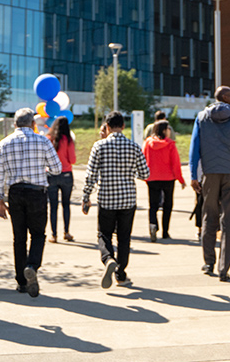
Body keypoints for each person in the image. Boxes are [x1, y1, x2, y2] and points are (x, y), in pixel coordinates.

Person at [0, 108, 62, 298]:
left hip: (15, 194)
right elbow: (57, 168)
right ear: (33, 124)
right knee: (38, 234)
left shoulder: (4, 143)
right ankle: (32, 266)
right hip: (36, 192)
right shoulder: (42, 141)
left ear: (15, 124)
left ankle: (21, 282)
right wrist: (42, 168)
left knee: (19, 238)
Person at [189, 86, 230, 282]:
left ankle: (209, 263)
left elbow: (194, 148)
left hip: (209, 172)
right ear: (225, 97)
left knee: (209, 215)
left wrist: (193, 175)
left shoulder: (201, 117)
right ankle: (224, 269)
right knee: (228, 218)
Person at [82, 111, 150, 288]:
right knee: (124, 237)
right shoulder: (134, 146)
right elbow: (145, 173)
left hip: (107, 199)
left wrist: (86, 196)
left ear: (106, 126)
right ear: (124, 126)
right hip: (128, 199)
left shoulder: (99, 146)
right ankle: (121, 273)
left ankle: (108, 259)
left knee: (104, 234)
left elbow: (91, 175)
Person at [142, 120, 186, 241]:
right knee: (168, 205)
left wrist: (142, 175)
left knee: (153, 205)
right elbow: (175, 164)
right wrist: (181, 179)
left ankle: (153, 224)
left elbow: (143, 159)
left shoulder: (147, 143)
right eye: (168, 129)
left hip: (152, 178)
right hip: (168, 179)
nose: (169, 131)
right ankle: (165, 232)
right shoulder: (170, 144)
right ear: (163, 130)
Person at [46, 116, 77, 244]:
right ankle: (66, 232)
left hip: (51, 175)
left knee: (53, 206)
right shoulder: (68, 140)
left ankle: (54, 234)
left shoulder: (49, 139)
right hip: (66, 175)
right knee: (66, 204)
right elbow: (73, 160)